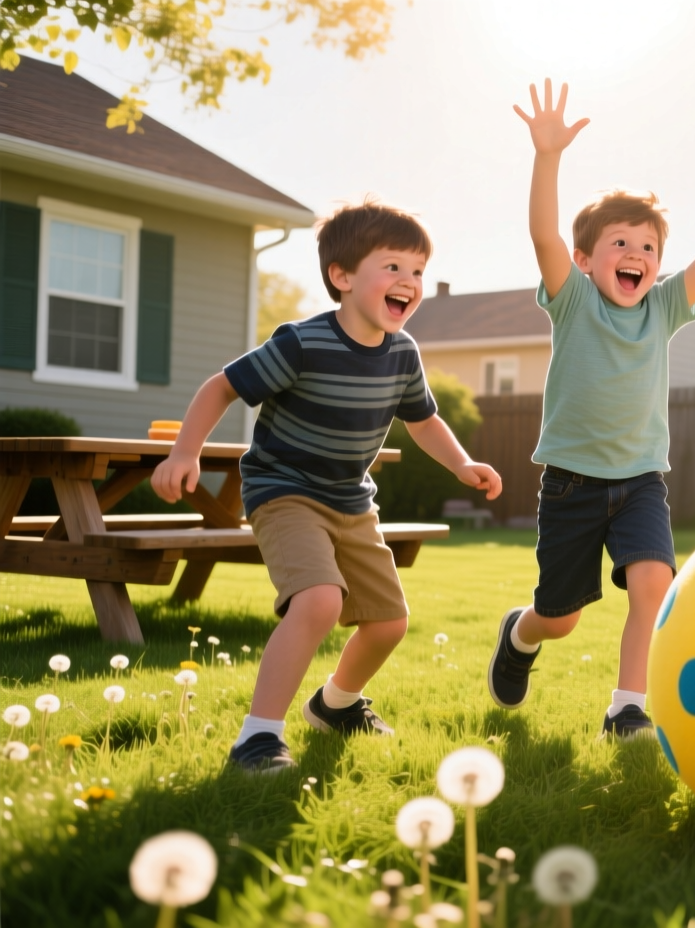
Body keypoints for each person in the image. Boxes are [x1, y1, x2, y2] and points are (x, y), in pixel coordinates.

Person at [486, 80, 695, 736]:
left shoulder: (662, 308)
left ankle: (628, 708)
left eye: (649, 248)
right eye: (621, 244)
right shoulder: (573, 300)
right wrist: (548, 156)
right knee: (560, 617)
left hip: (640, 481)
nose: (636, 256)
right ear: (586, 259)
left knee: (653, 584)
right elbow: (543, 233)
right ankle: (522, 633)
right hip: (570, 483)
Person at [153, 202, 503, 772]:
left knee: (389, 622)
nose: (409, 283)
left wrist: (462, 464)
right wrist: (185, 451)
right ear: (342, 277)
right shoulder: (302, 342)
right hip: (284, 490)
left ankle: (335, 704)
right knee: (319, 602)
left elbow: (422, 420)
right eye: (393, 267)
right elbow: (221, 387)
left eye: (417, 270)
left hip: (350, 499)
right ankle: (258, 737)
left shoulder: (403, 354)